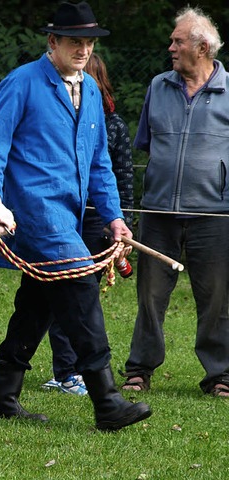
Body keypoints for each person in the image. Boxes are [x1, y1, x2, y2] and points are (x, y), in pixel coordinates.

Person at [0, 1, 151, 431]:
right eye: (75, 41)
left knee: (38, 302)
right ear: (52, 42)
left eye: (89, 43)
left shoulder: (91, 90)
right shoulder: (20, 83)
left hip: (70, 217)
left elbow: (99, 165)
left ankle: (3, 395)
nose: (83, 50)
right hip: (33, 213)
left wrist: (114, 218)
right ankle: (108, 401)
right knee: (79, 289)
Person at [120, 7, 229, 397]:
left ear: (202, 48)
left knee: (216, 297)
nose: (171, 47)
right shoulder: (158, 86)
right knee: (149, 294)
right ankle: (139, 369)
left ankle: (220, 375)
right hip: (159, 211)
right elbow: (147, 146)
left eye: (178, 41)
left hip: (214, 215)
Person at [42, 52, 134, 396]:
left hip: (95, 218)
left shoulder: (111, 123)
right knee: (74, 292)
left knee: (56, 295)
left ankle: (9, 386)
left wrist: (118, 219)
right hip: (58, 215)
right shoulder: (36, 96)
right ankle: (86, 382)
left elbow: (111, 171)